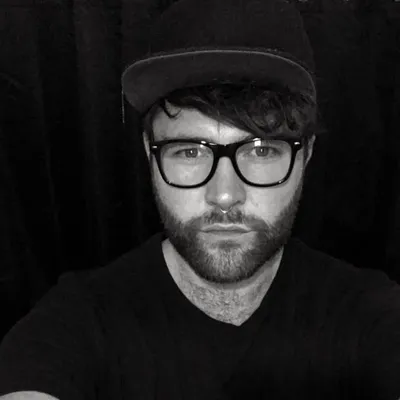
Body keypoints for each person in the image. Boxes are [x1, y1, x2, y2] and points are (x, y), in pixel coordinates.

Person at [0, 0, 400, 399]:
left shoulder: (369, 313)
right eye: (189, 152)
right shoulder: (76, 323)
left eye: (261, 151)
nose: (224, 195)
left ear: (306, 155)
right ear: (149, 153)